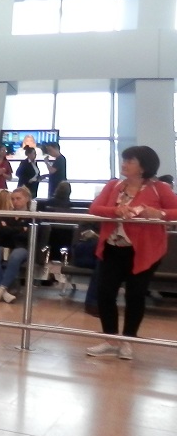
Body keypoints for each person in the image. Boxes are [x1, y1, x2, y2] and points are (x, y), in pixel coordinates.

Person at [85, 145, 177, 361]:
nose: (124, 164)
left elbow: (174, 211)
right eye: (124, 160)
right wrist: (115, 210)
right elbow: (95, 208)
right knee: (105, 292)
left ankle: (128, 340)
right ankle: (110, 339)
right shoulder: (113, 186)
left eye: (130, 161)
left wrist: (160, 213)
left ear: (143, 167)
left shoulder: (160, 188)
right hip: (112, 248)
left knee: (135, 295)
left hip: (144, 251)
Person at [0, 186, 33, 303]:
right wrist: (21, 229)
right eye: (13, 199)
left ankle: (0, 290)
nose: (15, 201)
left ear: (27, 199)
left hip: (22, 246)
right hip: (3, 244)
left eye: (18, 198)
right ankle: (3, 292)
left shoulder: (32, 217)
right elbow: (1, 231)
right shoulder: (6, 214)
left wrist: (9, 229)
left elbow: (26, 235)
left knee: (15, 256)